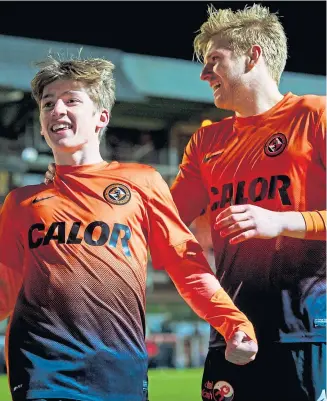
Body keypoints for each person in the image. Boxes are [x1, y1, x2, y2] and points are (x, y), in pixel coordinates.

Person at [46, 4, 326, 401]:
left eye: (215, 60)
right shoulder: (207, 142)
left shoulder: (315, 116)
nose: (204, 73)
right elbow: (161, 221)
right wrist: (75, 187)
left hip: (307, 331)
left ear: (253, 56)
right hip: (233, 334)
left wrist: (285, 222)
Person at [0, 56, 258, 401]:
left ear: (100, 118)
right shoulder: (20, 203)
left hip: (120, 371)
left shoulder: (142, 182)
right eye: (48, 103)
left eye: (71, 100)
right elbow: (4, 286)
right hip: (42, 371)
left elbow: (186, 264)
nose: (56, 109)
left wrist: (234, 323)